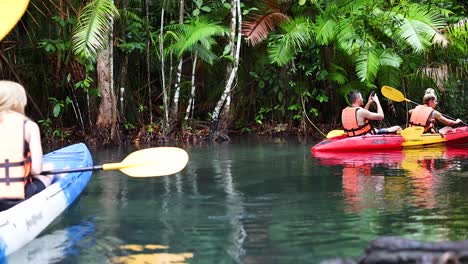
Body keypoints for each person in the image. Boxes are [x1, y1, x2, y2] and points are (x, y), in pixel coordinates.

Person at [0, 80, 53, 210]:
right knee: (49, 170)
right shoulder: (29, 126)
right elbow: (36, 169)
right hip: (15, 199)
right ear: (15, 102)